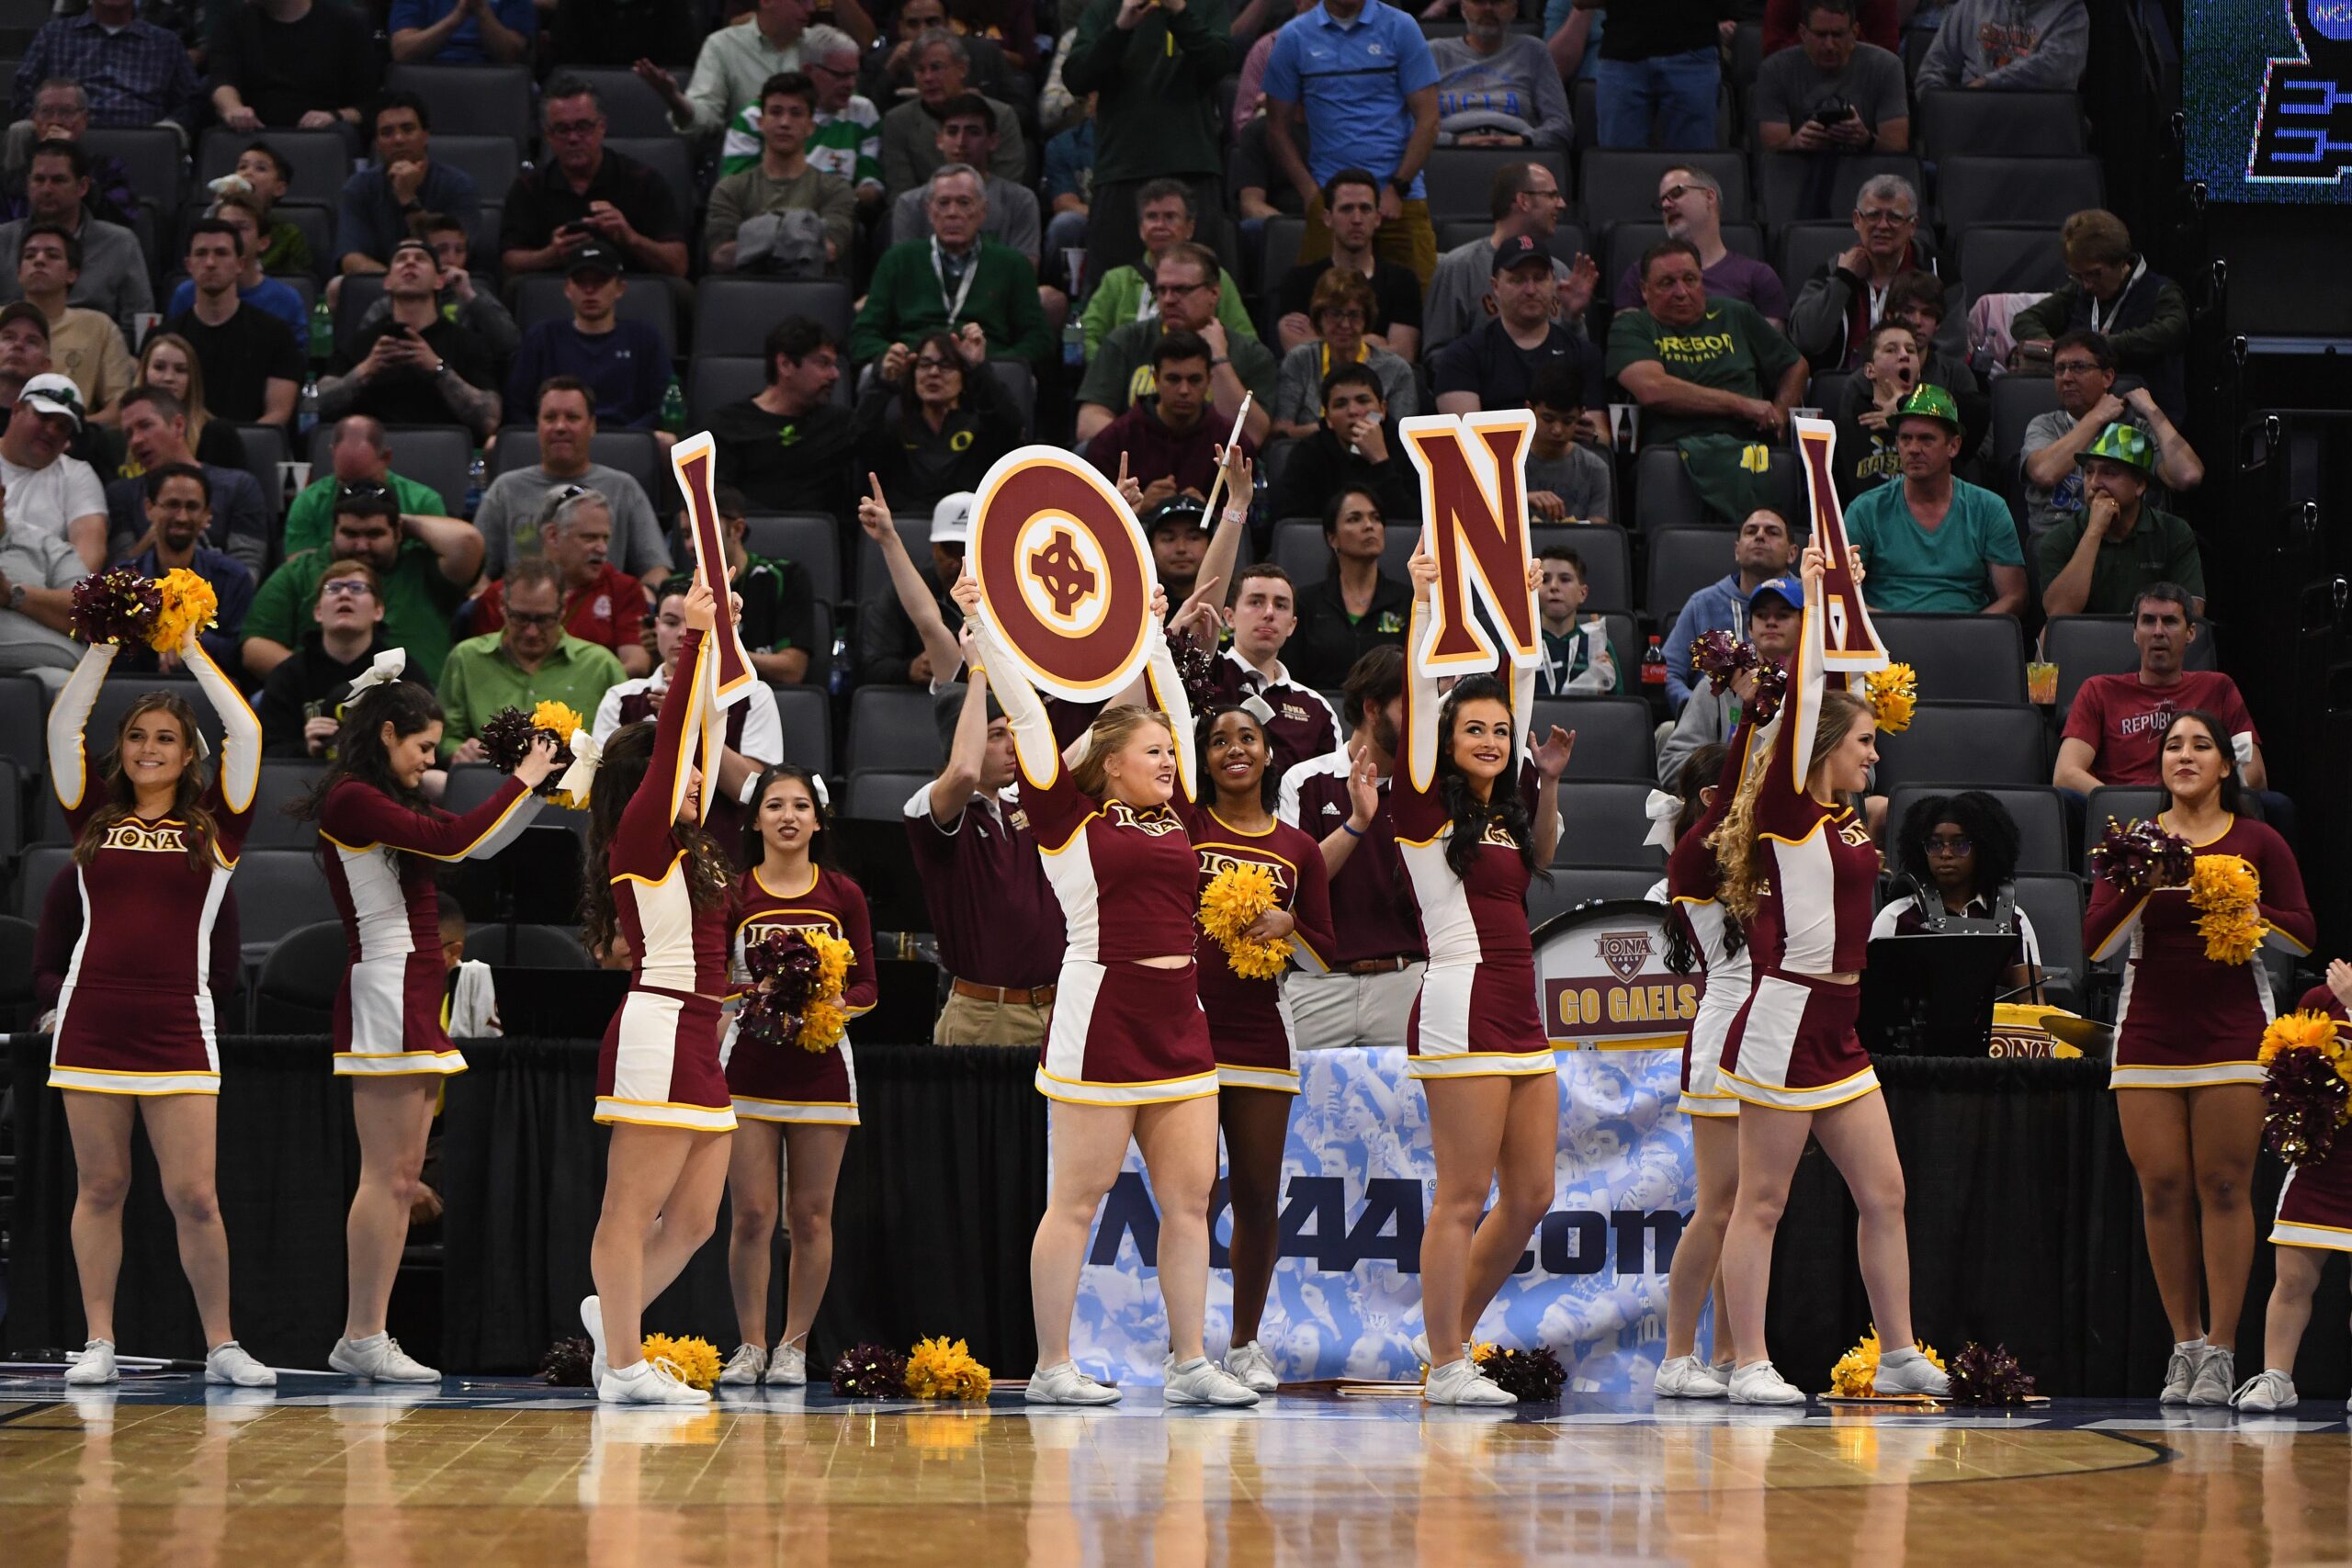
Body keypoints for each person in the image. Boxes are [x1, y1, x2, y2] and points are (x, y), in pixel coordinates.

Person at [953, 573, 1261, 1411]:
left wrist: (1156, 631)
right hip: (1100, 1017)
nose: (1169, 760)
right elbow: (1024, 720)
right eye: (1153, 752)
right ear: (1111, 763)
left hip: (1180, 1020)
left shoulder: (1182, 818)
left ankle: (1190, 1360)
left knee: (1190, 1199)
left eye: (1169, 751)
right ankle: (1053, 1364)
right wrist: (979, 618)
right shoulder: (1066, 822)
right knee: (1078, 1200)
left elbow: (1184, 722)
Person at [1710, 541, 1950, 1405]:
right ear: (1821, 745)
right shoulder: (1786, 803)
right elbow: (1806, 694)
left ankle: (1896, 1351)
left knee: (1885, 1190)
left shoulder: (1849, 820)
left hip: (1840, 1028)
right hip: (1783, 1020)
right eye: (1863, 743)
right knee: (1762, 1202)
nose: (1874, 756)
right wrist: (1811, 596)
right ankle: (1747, 1363)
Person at [300, 673, 556, 1383]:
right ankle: (362, 1332)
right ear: (386, 733)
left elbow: (474, 847)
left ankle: (367, 1333)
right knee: (385, 1176)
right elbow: (453, 843)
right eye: (422, 746)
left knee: (403, 1174)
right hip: (385, 988)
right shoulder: (354, 797)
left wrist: (538, 790)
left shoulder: (381, 798)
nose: (427, 759)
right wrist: (523, 778)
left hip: (413, 992)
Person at [42, 629, 277, 1391]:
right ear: (122, 748)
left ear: (188, 755)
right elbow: (60, 725)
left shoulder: (217, 827)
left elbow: (246, 729)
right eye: (138, 735)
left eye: (166, 737)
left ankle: (222, 1345)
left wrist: (190, 649)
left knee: (195, 1195)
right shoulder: (92, 819)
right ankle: (99, 1340)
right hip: (92, 1022)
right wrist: (107, 646)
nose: (149, 748)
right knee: (101, 1187)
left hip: (180, 1025)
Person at [2086, 708, 2312, 1404]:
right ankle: (2183, 1344)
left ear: (2225, 765)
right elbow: (2095, 941)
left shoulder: (2260, 839)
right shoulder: (2134, 842)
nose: (2185, 755)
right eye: (2173, 745)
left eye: (2201, 745)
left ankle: (2223, 1347)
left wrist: (2254, 915)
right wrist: (2145, 880)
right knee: (2163, 1189)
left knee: (2223, 1185)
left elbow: (2304, 933)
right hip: (2149, 1032)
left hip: (2234, 1033)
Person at [1393, 544, 1571, 1402]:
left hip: (1520, 1008)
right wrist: (1424, 602)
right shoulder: (1421, 807)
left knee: (1532, 1192)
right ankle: (1449, 1361)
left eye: (1500, 731)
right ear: (1445, 741)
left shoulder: (1503, 813)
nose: (1494, 739)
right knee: (1461, 1195)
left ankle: (1447, 1346)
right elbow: (1422, 703)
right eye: (1476, 729)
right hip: (1460, 1002)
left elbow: (1520, 698)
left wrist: (1524, 622)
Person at [576, 581, 743, 1404]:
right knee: (629, 1208)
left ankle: (614, 1315)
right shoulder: (640, 834)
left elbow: (700, 736)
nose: (697, 779)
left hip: (700, 1030)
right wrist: (692, 645)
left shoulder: (688, 837)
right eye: (683, 774)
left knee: (696, 1220)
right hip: (655, 1027)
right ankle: (623, 1365)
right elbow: (680, 733)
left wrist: (719, 646)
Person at [1180, 698, 1337, 1391]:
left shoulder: (1299, 849)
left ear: (1270, 753)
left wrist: (1290, 922)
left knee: (1255, 1193)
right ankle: (1185, 1346)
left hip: (1264, 1035)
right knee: (1191, 1193)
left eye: (1247, 737)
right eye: (1218, 740)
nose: (1233, 749)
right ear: (1203, 758)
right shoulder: (1185, 825)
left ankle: (1244, 1343)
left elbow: (1327, 954)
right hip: (1186, 1028)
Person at [717, 764, 876, 1388]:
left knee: (810, 1216)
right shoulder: (734, 892)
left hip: (822, 1069)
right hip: (749, 1068)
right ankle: (751, 1343)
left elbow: (868, 985)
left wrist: (833, 1004)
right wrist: (757, 992)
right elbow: (713, 978)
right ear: (754, 819)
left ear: (818, 818)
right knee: (752, 1214)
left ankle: (793, 1344)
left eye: (801, 805)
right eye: (775, 805)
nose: (788, 816)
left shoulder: (843, 893)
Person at [1650, 739, 1747, 1398]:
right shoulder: (1696, 856)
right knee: (1717, 1206)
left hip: (1772, 1031)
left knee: (1747, 1208)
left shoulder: (1761, 852)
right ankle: (1676, 1356)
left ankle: (1729, 1355)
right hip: (1724, 1030)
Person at [903, 666, 1069, 1046]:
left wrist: (1152, 649)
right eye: (996, 735)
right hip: (984, 1017)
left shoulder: (1023, 804)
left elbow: (1100, 738)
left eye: (1012, 732)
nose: (1012, 744)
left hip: (1053, 1010)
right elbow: (963, 771)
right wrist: (977, 669)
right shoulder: (928, 808)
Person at [1275, 646, 1419, 1050]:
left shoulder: (1428, 789)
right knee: (1293, 1110)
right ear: (1372, 709)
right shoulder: (1304, 780)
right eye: (1409, 706)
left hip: (1405, 978)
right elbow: (1290, 889)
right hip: (1318, 982)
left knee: (1418, 1113)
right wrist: (1356, 823)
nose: (1423, 722)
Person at [1606, 240, 1808, 524]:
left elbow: (1795, 365)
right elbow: (1653, 389)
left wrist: (1780, 412)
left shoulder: (1735, 314)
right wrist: (1741, 405)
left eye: (1690, 280)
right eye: (1666, 283)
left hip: (1748, 446)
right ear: (1644, 290)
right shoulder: (1633, 327)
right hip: (1674, 452)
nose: (1681, 292)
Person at [2230, 961, 2352, 1412]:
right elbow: (2287, 1079)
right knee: (2293, 1278)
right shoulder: (2321, 1000)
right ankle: (2277, 1378)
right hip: (2322, 1162)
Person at [594, 581, 785, 858]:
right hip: (642, 854)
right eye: (671, 622)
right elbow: (609, 791)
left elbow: (750, 791)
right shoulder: (622, 698)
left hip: (726, 856)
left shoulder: (749, 693)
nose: (683, 633)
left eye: (696, 622)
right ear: (655, 626)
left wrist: (698, 720)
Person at [1262, 0, 1441, 284]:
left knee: (1419, 307)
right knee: (1322, 305)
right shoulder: (1294, 36)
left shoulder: (1401, 26)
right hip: (1330, 201)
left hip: (1400, 197)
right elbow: (1275, 127)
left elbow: (1429, 118)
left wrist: (1398, 185)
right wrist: (1310, 193)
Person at [1064, 0, 1235, 276]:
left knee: (1198, 284)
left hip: (1192, 168)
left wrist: (1179, 13)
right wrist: (1121, 28)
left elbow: (1220, 62)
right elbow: (1076, 78)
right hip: (1121, 169)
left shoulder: (1206, 6)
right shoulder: (1105, 9)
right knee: (1110, 290)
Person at [243, 486, 481, 683]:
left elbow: (467, 541)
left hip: (417, 705)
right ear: (333, 531)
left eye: (374, 534)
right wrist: (322, 681)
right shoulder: (300, 572)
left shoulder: (422, 565)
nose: (361, 546)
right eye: (350, 534)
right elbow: (255, 647)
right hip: (316, 704)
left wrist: (401, 519)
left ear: (398, 532)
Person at [2055, 584, 2265, 795]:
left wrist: (2197, 800)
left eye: (2170, 621)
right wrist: (2120, 804)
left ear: (2191, 633)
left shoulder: (2219, 688)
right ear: (2135, 633)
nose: (2158, 632)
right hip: (2123, 816)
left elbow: (2254, 772)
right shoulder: (2098, 690)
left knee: (2278, 806)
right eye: (2148, 621)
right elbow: (2065, 774)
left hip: (2200, 805)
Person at [1842, 384, 2026, 616]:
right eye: (1905, 439)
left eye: (1926, 439)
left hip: (1964, 640)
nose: (1913, 449)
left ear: (1953, 445)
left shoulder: (1989, 508)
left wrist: (1973, 632)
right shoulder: (1866, 509)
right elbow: (1841, 591)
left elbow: (2015, 597)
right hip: (1885, 640)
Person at [850, 165, 1053, 369]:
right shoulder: (898, 260)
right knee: (874, 374)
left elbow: (1038, 340)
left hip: (985, 370)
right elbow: (863, 335)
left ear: (983, 211)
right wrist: (894, 355)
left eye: (964, 203)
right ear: (929, 211)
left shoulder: (1012, 264)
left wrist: (994, 363)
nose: (952, 213)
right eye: (943, 203)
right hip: (912, 366)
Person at [475, 379, 671, 584]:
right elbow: (476, 572)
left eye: (572, 417)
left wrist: (645, 599)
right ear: (538, 425)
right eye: (550, 418)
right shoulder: (505, 489)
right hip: (524, 612)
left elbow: (655, 570)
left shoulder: (624, 488)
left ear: (592, 426)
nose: (560, 427)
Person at [1078, 244, 1277, 446]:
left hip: (1213, 469)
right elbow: (1089, 422)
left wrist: (1218, 358)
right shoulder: (1126, 341)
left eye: (1181, 290)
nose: (1168, 300)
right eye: (1162, 290)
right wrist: (1152, 454)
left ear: (1214, 293)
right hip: (1137, 469)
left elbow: (1252, 436)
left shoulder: (1250, 354)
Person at [500, 78, 690, 286]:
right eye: (562, 129)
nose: (573, 138)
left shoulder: (643, 181)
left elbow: (678, 264)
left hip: (629, 290)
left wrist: (630, 238)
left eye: (583, 127)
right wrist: (550, 255)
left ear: (602, 127)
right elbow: (509, 264)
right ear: (548, 135)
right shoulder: (529, 188)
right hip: (557, 290)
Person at [436, 558, 628, 761]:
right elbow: (445, 736)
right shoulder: (466, 658)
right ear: (502, 605)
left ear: (563, 608)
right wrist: (459, 751)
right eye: (520, 618)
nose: (531, 632)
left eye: (544, 619)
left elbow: (628, 743)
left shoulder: (600, 666)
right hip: (489, 782)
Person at [2010, 210, 2191, 424]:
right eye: (2078, 275)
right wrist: (2059, 350)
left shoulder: (2160, 292)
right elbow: (2024, 321)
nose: (2087, 284)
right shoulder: (2079, 291)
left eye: (2095, 274)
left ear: (2121, 262)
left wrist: (2103, 347)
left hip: (2140, 420)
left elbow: (2173, 329)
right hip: (2080, 417)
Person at [2022, 330, 2203, 538]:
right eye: (2060, 369)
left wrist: (2153, 412)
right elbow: (2044, 473)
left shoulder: (2135, 429)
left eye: (2079, 367)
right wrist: (2096, 417)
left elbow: (2188, 476)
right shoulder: (2045, 426)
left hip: (2125, 546)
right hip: (2060, 543)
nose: (2066, 378)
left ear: (2107, 377)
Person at [317, 239, 500, 441]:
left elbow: (489, 420)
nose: (410, 262)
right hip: (372, 452)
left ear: (439, 281)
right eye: (401, 259)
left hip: (443, 453)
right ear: (387, 282)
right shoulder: (360, 342)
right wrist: (365, 369)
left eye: (420, 259)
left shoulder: (467, 342)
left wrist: (438, 369)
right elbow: (315, 407)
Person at [1873, 790, 2044, 998]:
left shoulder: (2015, 919)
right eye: (1935, 845)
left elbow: (2031, 1001)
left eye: (1960, 844)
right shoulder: (1897, 917)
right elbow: (1874, 1000)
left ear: (1983, 849)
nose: (1946, 854)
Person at [472, 486, 651, 679]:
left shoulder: (624, 589)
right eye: (589, 537)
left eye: (605, 538)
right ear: (553, 535)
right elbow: (483, 667)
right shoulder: (502, 594)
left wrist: (574, 689)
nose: (601, 548)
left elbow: (637, 664)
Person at [255, 560, 426, 757]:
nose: (344, 594)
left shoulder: (402, 670)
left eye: (357, 588)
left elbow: (426, 742)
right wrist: (306, 748)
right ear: (318, 612)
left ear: (378, 610)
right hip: (305, 782)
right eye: (333, 589)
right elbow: (265, 752)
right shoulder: (289, 675)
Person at [2037, 423, 2207, 621]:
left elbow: (2193, 612)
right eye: (2089, 472)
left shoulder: (2173, 532)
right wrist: (2094, 531)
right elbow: (2059, 613)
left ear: (2139, 485)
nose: (2094, 483)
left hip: (2151, 645)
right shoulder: (2060, 538)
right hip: (2083, 645)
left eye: (2109, 473)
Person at [1079, 180, 1261, 359]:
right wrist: (1112, 371)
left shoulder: (1215, 277)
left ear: (1190, 228)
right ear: (1141, 229)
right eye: (1152, 217)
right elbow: (1085, 336)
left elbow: (1248, 344)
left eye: (1170, 217)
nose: (1159, 225)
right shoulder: (1116, 280)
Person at [1433, 234, 1604, 418]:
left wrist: (1591, 435)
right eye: (1517, 280)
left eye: (1539, 278)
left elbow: (1601, 438)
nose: (1530, 290)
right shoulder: (1462, 355)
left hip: (1569, 447)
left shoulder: (1583, 354)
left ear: (1553, 282)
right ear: (1495, 286)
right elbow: (1468, 438)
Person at [1422, 161, 1583, 357]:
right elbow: (1437, 354)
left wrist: (1573, 318)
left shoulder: (1560, 271)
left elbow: (1580, 358)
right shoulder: (1459, 268)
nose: (1561, 204)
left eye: (1539, 278)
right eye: (1551, 195)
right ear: (1523, 201)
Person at [503, 247, 669, 435]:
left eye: (600, 282)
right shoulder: (542, 337)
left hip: (627, 439)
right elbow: (517, 404)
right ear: (567, 288)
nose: (590, 290)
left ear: (619, 288)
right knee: (494, 445)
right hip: (556, 437)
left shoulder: (644, 338)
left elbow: (662, 404)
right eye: (581, 282)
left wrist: (630, 438)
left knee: (667, 442)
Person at [854, 329, 1021, 513]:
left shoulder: (981, 426)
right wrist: (883, 384)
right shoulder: (898, 426)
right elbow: (857, 444)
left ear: (963, 376)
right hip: (905, 530)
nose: (933, 372)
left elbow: (1012, 427)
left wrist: (978, 368)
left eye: (946, 365)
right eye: (924, 364)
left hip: (966, 527)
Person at [103, 389, 268, 575]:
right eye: (129, 434)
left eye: (146, 425)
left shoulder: (239, 486)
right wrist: (156, 534)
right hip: (147, 602)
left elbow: (247, 573)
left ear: (179, 426)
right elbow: (118, 575)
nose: (136, 440)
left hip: (219, 601)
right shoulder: (122, 494)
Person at [710, 72, 858, 277]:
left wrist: (756, 236)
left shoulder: (835, 189)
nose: (784, 123)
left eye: (796, 113)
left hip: (811, 298)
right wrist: (798, 232)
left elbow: (830, 250)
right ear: (761, 123)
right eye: (776, 112)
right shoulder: (730, 189)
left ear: (810, 127)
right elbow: (719, 257)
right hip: (746, 296)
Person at [1659, 571, 1803, 784]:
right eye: (1762, 615)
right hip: (1726, 808)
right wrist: (1733, 765)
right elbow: (1672, 763)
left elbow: (1864, 773)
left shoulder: (1818, 688)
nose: (1771, 622)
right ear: (1750, 629)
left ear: (1803, 624)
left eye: (1783, 615)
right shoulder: (1717, 686)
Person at [1084, 333, 1261, 502]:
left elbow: (1245, 517)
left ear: (1209, 380)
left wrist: (1208, 514)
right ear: (1156, 379)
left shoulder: (1233, 444)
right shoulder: (1113, 442)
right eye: (1173, 379)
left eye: (1194, 380)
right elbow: (1094, 518)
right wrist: (1138, 510)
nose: (1184, 390)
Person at [1785, 175, 1937, 373]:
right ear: (1857, 220)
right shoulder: (1832, 272)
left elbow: (1951, 349)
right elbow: (1805, 340)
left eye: (1894, 217)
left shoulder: (1936, 271)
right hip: (1842, 386)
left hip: (1915, 387)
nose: (1882, 226)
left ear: (1912, 226)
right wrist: (1843, 280)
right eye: (1873, 215)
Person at [710, 317, 857, 521]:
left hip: (818, 545)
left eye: (835, 365)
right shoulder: (728, 425)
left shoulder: (839, 424)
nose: (835, 375)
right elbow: (716, 500)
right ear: (786, 364)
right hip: (749, 540)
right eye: (823, 363)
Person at [112, 465, 254, 674]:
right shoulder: (122, 580)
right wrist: (158, 633)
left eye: (192, 507)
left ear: (207, 514)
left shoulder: (233, 578)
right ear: (149, 509)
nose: (182, 517)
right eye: (172, 505)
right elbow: (108, 653)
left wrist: (184, 637)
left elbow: (238, 656)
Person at [0, 141, 152, 334]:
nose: (47, 189)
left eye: (58, 180)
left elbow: (137, 322)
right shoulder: (3, 239)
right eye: (39, 179)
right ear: (28, 184)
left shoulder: (120, 244)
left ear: (82, 186)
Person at [1209, 560, 1344, 778]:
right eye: (1256, 602)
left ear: (1292, 625)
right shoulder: (1206, 675)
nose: (1269, 613)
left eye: (1280, 605)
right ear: (1229, 617)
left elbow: (1327, 796)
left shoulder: (1317, 709)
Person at [720, 26, 883, 205]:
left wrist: (844, 200)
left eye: (853, 74)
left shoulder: (863, 112)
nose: (850, 84)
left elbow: (871, 183)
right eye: (840, 75)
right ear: (807, 70)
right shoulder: (754, 117)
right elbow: (734, 188)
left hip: (836, 217)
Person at [1272, 169, 1424, 359]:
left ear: (1377, 219)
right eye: (1346, 209)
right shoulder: (1298, 281)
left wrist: (1322, 340)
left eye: (1365, 209)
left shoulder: (1403, 281)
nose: (1357, 219)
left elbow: (1403, 356)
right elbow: (1299, 355)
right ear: (1328, 218)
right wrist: (1373, 343)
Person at [164, 219, 301, 428]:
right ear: (189, 265)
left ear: (240, 264)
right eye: (201, 254)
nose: (210, 263)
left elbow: (278, 414)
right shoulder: (166, 338)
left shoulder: (276, 334)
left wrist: (231, 446)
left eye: (221, 253)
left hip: (252, 453)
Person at [1609, 165, 1787, 325]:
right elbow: (1626, 341)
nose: (1666, 205)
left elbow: (1773, 353)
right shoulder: (1642, 272)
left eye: (1677, 193)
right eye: (1662, 200)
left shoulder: (1759, 276)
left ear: (1709, 196)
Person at [1659, 509, 1799, 708]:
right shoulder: (1703, 604)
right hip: (1713, 726)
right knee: (1665, 731)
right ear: (1736, 550)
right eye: (1751, 531)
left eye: (1772, 532)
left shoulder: (1811, 601)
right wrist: (1703, 711)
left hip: (1795, 716)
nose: (1760, 536)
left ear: (1792, 553)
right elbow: (1669, 672)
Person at [335, 93, 481, 280]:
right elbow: (351, 260)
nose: (398, 139)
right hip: (380, 289)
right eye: (387, 133)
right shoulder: (359, 187)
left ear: (425, 136)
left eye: (408, 129)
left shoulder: (459, 185)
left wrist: (408, 199)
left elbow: (449, 259)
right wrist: (400, 284)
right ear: (378, 144)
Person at [885, 92, 1040, 265]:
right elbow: (905, 274)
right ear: (939, 140)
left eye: (973, 132)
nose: (961, 142)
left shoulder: (1020, 200)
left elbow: (1025, 273)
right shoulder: (910, 204)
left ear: (993, 141)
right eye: (952, 132)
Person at [353, 210, 521, 367]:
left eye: (459, 250)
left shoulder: (475, 294)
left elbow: (510, 344)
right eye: (442, 250)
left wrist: (469, 296)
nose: (452, 259)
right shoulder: (391, 303)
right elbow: (360, 354)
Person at [876, 30, 1027, 197]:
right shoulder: (897, 121)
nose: (927, 78)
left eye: (936, 68)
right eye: (920, 70)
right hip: (923, 216)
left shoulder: (1001, 116)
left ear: (962, 69)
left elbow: (1006, 188)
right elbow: (901, 194)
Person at [1287, 485, 1410, 689]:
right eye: (1355, 519)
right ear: (1332, 538)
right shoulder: (1305, 602)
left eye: (1376, 518)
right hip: (1320, 712)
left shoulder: (1409, 600)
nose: (1369, 525)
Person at [1271, 268, 1415, 440]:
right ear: (1319, 317)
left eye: (1354, 315)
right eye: (1335, 314)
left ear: (1366, 318)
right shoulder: (1300, 360)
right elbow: (1281, 431)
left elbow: (1400, 439)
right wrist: (1334, 430)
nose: (1345, 325)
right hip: (1309, 456)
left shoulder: (1396, 370)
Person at [1265, 363, 1419, 525]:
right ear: (1329, 419)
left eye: (1363, 400)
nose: (1353, 411)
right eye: (1340, 404)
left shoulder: (1411, 450)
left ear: (1382, 409)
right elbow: (1296, 530)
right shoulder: (1307, 454)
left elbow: (1414, 523)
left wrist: (1380, 461)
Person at [13, 4, 204, 130]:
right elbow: (23, 89)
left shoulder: (166, 43)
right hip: (62, 136)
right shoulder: (53, 35)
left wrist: (168, 127)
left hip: (143, 138)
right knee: (20, 131)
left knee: (171, 133)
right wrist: (46, 120)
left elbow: (190, 101)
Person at [1753, 0, 1909, 155]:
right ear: (1803, 33)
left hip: (1867, 171)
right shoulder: (1774, 70)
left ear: (1854, 32)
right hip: (1797, 172)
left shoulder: (1887, 67)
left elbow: (1897, 147)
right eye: (1820, 35)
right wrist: (1796, 143)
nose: (1829, 45)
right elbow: (1771, 153)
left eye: (1838, 34)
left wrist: (1866, 139)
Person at [284, 416, 450, 560]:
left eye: (366, 481)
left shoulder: (424, 502)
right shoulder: (308, 502)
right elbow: (300, 572)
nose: (356, 493)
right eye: (345, 482)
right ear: (332, 454)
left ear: (386, 458)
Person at [640, 0, 814, 137]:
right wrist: (675, 100)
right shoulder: (723, 46)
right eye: (800, 1)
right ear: (767, 1)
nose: (811, 8)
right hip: (747, 165)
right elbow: (705, 119)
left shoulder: (820, 48)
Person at [209, 0, 380, 133]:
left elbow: (366, 105)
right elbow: (222, 79)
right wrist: (234, 109)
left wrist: (334, 116)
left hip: (321, 133)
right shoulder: (234, 21)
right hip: (253, 130)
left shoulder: (347, 23)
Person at [16, 225, 130, 419]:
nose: (39, 260)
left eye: (52, 255)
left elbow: (119, 406)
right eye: (30, 255)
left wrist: (68, 428)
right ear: (19, 273)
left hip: (74, 440)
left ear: (72, 274)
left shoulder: (100, 327)